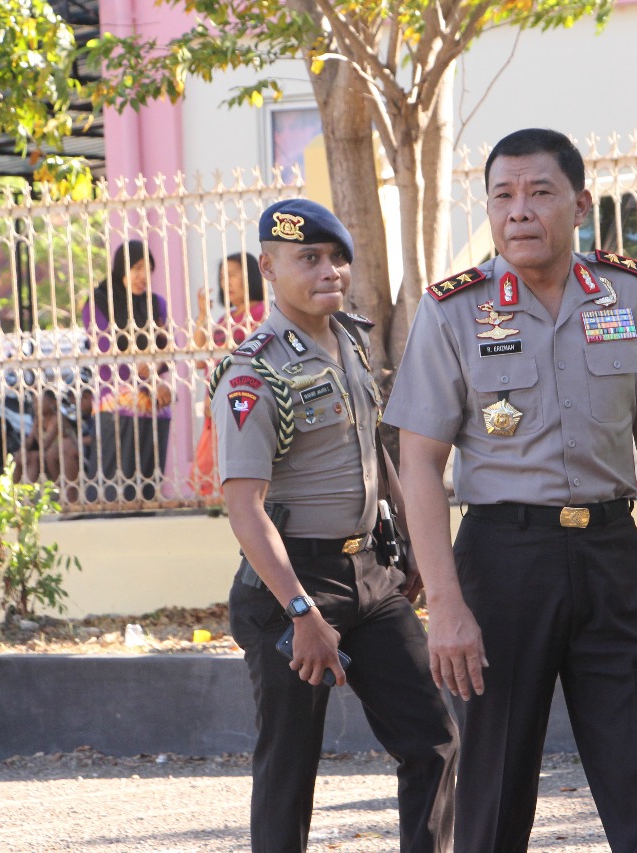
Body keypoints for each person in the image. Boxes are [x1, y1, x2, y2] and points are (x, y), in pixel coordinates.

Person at [384, 128, 637, 853]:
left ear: (580, 203)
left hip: (612, 554)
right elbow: (420, 462)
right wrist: (447, 602)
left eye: (539, 192)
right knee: (492, 788)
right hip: (502, 560)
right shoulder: (452, 309)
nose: (519, 210)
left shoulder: (626, 293)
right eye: (503, 195)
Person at [212, 198, 457, 853]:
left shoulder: (346, 340)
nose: (331, 271)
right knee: (290, 765)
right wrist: (299, 611)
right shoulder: (254, 371)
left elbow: (373, 449)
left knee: (434, 739)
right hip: (292, 584)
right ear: (269, 267)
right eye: (309, 258)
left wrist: (415, 550)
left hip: (371, 576)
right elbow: (245, 507)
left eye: (337, 257)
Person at [81, 240, 172, 503]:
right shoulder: (98, 301)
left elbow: (166, 349)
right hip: (117, 403)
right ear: (121, 268)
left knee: (146, 487)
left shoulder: (156, 304)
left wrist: (155, 378)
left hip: (155, 404)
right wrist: (150, 378)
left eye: (148, 269)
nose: (143, 276)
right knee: (112, 484)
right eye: (136, 268)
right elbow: (106, 351)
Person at [192, 252, 268, 500]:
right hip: (216, 404)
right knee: (213, 469)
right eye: (223, 276)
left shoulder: (262, 314)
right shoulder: (227, 319)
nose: (227, 282)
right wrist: (203, 315)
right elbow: (201, 358)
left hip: (243, 402)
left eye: (233, 275)